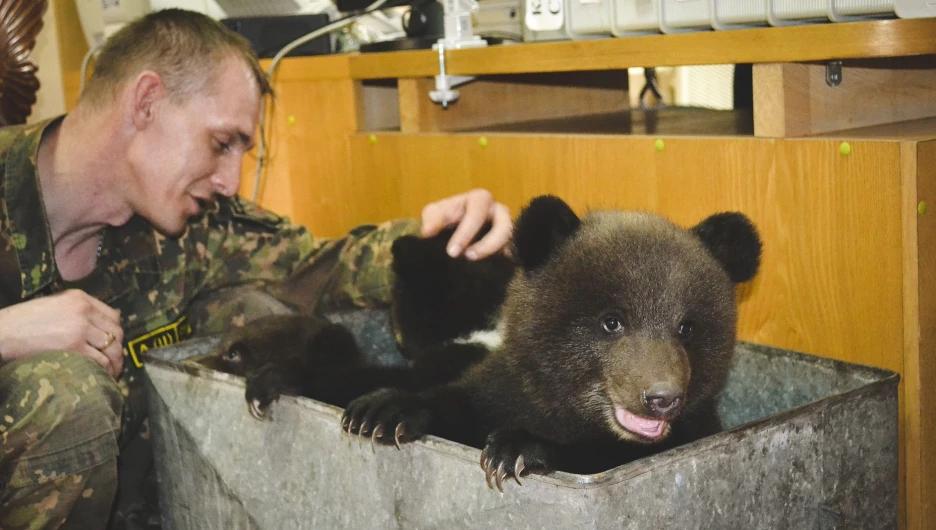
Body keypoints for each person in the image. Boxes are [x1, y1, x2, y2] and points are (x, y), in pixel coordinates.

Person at [0, 9, 511, 530]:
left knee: (252, 317)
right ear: (147, 101)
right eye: (221, 143)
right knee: (67, 390)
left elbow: (319, 266)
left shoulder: (189, 223)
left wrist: (444, 240)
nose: (230, 180)